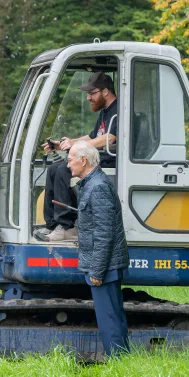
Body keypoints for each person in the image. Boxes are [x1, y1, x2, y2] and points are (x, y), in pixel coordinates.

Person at [35, 71, 119, 242]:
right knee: (53, 169)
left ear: (105, 91)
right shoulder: (104, 112)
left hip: (108, 161)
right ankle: (53, 224)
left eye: (92, 93)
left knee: (65, 170)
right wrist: (64, 143)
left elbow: (110, 137)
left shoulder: (118, 110)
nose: (88, 98)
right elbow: (92, 136)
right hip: (98, 157)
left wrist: (78, 147)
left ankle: (67, 227)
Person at [69, 141, 130, 359]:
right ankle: (122, 358)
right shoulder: (91, 184)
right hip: (106, 265)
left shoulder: (98, 187)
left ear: (83, 160)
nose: (68, 165)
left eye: (70, 160)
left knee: (109, 317)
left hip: (105, 267)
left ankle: (118, 361)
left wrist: (97, 271)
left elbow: (105, 233)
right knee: (112, 315)